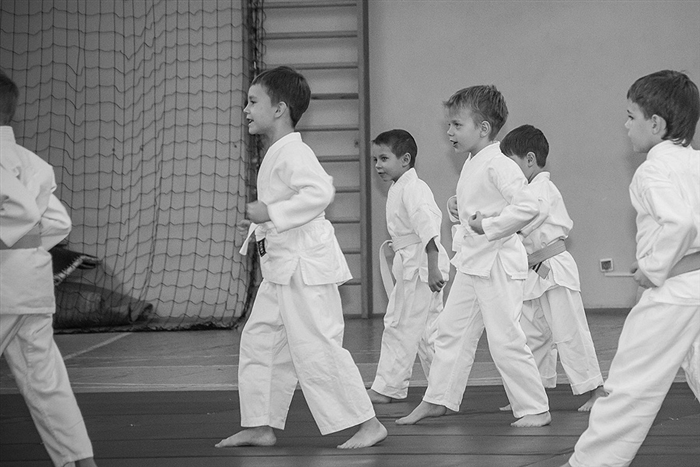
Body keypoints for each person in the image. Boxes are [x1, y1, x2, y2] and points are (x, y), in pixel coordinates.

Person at [215, 66, 387, 450]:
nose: (246, 109)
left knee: (316, 346)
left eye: (253, 102)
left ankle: (368, 423)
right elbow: (285, 207)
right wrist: (259, 225)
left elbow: (320, 192)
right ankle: (260, 424)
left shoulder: (294, 151)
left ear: (279, 109)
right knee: (259, 342)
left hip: (303, 268)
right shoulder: (278, 152)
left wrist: (271, 213)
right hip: (281, 269)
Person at [562, 70, 700, 467]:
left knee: (629, 386)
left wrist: (654, 268)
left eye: (630, 116)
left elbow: (680, 223)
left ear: (655, 124)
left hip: (672, 294)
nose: (625, 126)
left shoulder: (653, 170)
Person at [397, 85, 551, 428]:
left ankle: (535, 407)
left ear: (483, 128)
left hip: (497, 264)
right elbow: (482, 203)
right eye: (449, 125)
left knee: (505, 338)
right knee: (451, 331)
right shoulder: (472, 161)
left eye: (456, 125)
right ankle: (439, 398)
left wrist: (490, 225)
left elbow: (530, 206)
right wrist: (457, 206)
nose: (449, 132)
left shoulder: (499, 163)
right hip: (471, 262)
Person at [0, 70, 98, 467]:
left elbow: (20, 210)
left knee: (43, 376)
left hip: (5, 284)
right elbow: (58, 223)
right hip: (32, 282)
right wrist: (26, 248)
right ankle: (80, 460)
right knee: (45, 379)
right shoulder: (33, 162)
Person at [499, 124, 605, 413]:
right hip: (533, 272)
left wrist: (493, 225)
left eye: (510, 164)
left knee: (569, 331)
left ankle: (596, 389)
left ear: (529, 160)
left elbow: (523, 220)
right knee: (530, 335)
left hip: (554, 268)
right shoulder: (524, 192)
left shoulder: (541, 189)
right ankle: (531, 393)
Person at [367, 129, 450, 404]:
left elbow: (429, 228)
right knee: (427, 331)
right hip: (414, 262)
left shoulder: (414, 188)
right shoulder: (400, 187)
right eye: (375, 160)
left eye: (384, 158)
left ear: (405, 159)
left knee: (400, 324)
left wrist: (433, 266)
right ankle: (444, 388)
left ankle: (387, 388)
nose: (378, 165)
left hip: (421, 264)